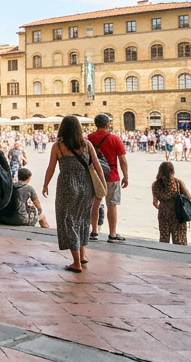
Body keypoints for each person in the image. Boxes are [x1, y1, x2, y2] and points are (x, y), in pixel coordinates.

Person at [42, 115, 100, 273]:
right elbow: (97, 166)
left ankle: (76, 263)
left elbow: (51, 168)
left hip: (67, 186)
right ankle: (83, 255)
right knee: (82, 219)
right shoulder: (87, 144)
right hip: (86, 186)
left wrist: (45, 184)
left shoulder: (58, 146)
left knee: (68, 221)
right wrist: (101, 185)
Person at [86, 114, 129, 243]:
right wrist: (126, 176)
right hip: (112, 176)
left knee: (95, 204)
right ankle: (112, 234)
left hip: (94, 176)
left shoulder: (88, 138)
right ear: (108, 124)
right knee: (112, 205)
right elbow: (122, 160)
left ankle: (94, 231)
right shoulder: (115, 139)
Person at [151, 162, 190, 245]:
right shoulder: (178, 182)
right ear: (172, 171)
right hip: (177, 213)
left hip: (163, 213)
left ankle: (163, 256)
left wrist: (163, 207)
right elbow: (188, 197)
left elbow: (155, 203)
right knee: (179, 238)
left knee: (164, 238)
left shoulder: (155, 185)